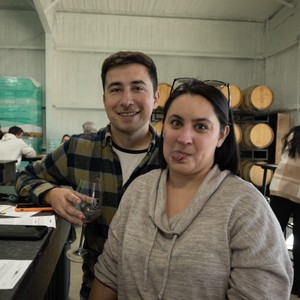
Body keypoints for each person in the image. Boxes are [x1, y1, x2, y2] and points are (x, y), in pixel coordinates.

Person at [89, 79, 293, 300]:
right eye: (176, 123)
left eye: (201, 127)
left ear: (222, 135)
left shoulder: (246, 206)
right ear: (163, 127)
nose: (184, 138)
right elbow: (108, 276)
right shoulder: (139, 190)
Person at [15, 51, 161, 299]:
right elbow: (24, 178)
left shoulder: (175, 157)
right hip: (94, 288)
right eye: (116, 89)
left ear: (156, 98)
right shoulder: (78, 149)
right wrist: (51, 193)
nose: (127, 100)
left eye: (138, 88)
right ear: (104, 99)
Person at [269, 125, 300, 297]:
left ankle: (270, 273)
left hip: (281, 187)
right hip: (293, 190)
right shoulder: (296, 134)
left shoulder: (293, 134)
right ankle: (296, 285)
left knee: (272, 235)